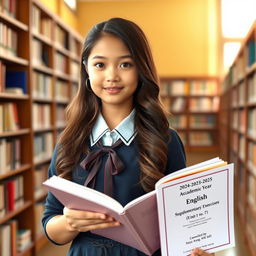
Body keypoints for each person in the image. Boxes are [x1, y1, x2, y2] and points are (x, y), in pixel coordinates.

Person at [42, 17, 214, 256]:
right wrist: (69, 223)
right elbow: (51, 225)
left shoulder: (165, 140)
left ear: (141, 68)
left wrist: (196, 248)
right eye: (100, 65)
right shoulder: (69, 142)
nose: (112, 76)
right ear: (86, 69)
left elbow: (182, 221)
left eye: (125, 64)